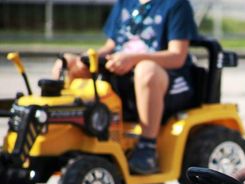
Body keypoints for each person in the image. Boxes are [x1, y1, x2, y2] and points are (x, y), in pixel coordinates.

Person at [52, 0, 198, 174]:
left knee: (146, 69)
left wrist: (133, 59)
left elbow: (177, 56)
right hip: (122, 73)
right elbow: (111, 46)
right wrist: (85, 59)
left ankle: (147, 147)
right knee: (66, 62)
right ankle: (61, 127)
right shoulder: (125, 3)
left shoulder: (176, 5)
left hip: (166, 80)